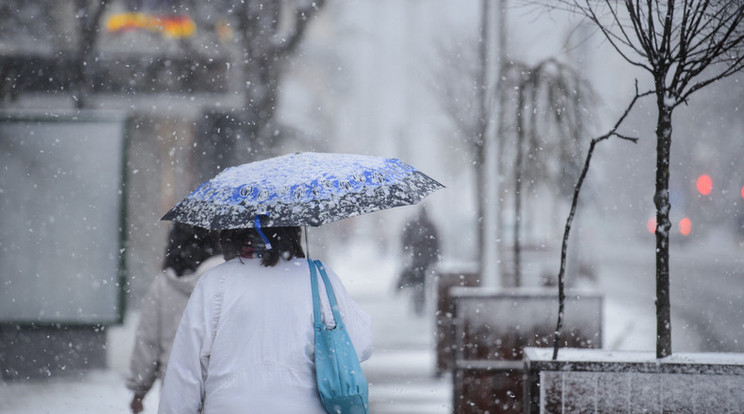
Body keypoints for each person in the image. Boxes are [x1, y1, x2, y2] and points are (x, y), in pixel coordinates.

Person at [158, 226, 373, 414]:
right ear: (294, 229)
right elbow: (360, 344)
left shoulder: (214, 284)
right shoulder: (319, 278)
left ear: (231, 233)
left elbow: (184, 375)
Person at [126, 223, 223, 414]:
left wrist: (139, 390)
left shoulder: (163, 286)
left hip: (176, 386)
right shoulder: (225, 278)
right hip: (219, 384)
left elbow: (148, 341)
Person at [398, 207, 440, 316]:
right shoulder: (429, 226)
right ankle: (419, 305)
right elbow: (436, 244)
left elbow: (404, 241)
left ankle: (417, 305)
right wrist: (434, 258)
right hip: (423, 261)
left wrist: (407, 252)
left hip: (415, 260)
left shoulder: (412, 225)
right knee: (421, 284)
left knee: (416, 283)